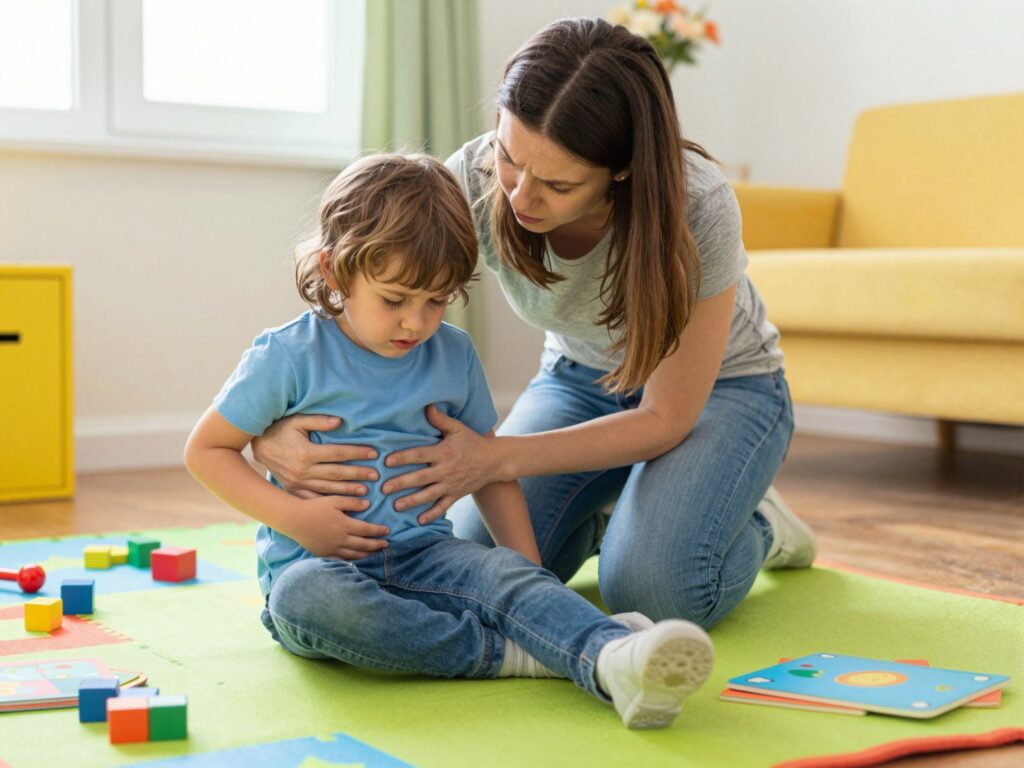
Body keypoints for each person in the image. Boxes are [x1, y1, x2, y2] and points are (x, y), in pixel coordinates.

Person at [250, 17, 817, 631]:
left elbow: (665, 418)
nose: (520, 198)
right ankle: (620, 516)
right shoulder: (468, 180)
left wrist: (495, 458)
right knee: (473, 557)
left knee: (654, 591)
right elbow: (363, 295)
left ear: (622, 170)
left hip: (722, 393)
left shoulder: (697, 205)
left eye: (558, 184)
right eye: (508, 157)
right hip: (579, 381)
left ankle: (758, 521)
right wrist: (267, 430)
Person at [184, 153, 715, 729]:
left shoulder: (453, 354)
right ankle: (516, 655)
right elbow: (206, 451)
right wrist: (299, 520)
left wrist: (527, 574)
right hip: (320, 565)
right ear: (334, 272)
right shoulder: (286, 355)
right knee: (305, 599)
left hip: (427, 555)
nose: (416, 323)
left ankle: (615, 654)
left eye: (436, 300)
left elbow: (489, 464)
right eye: (394, 300)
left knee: (503, 572)